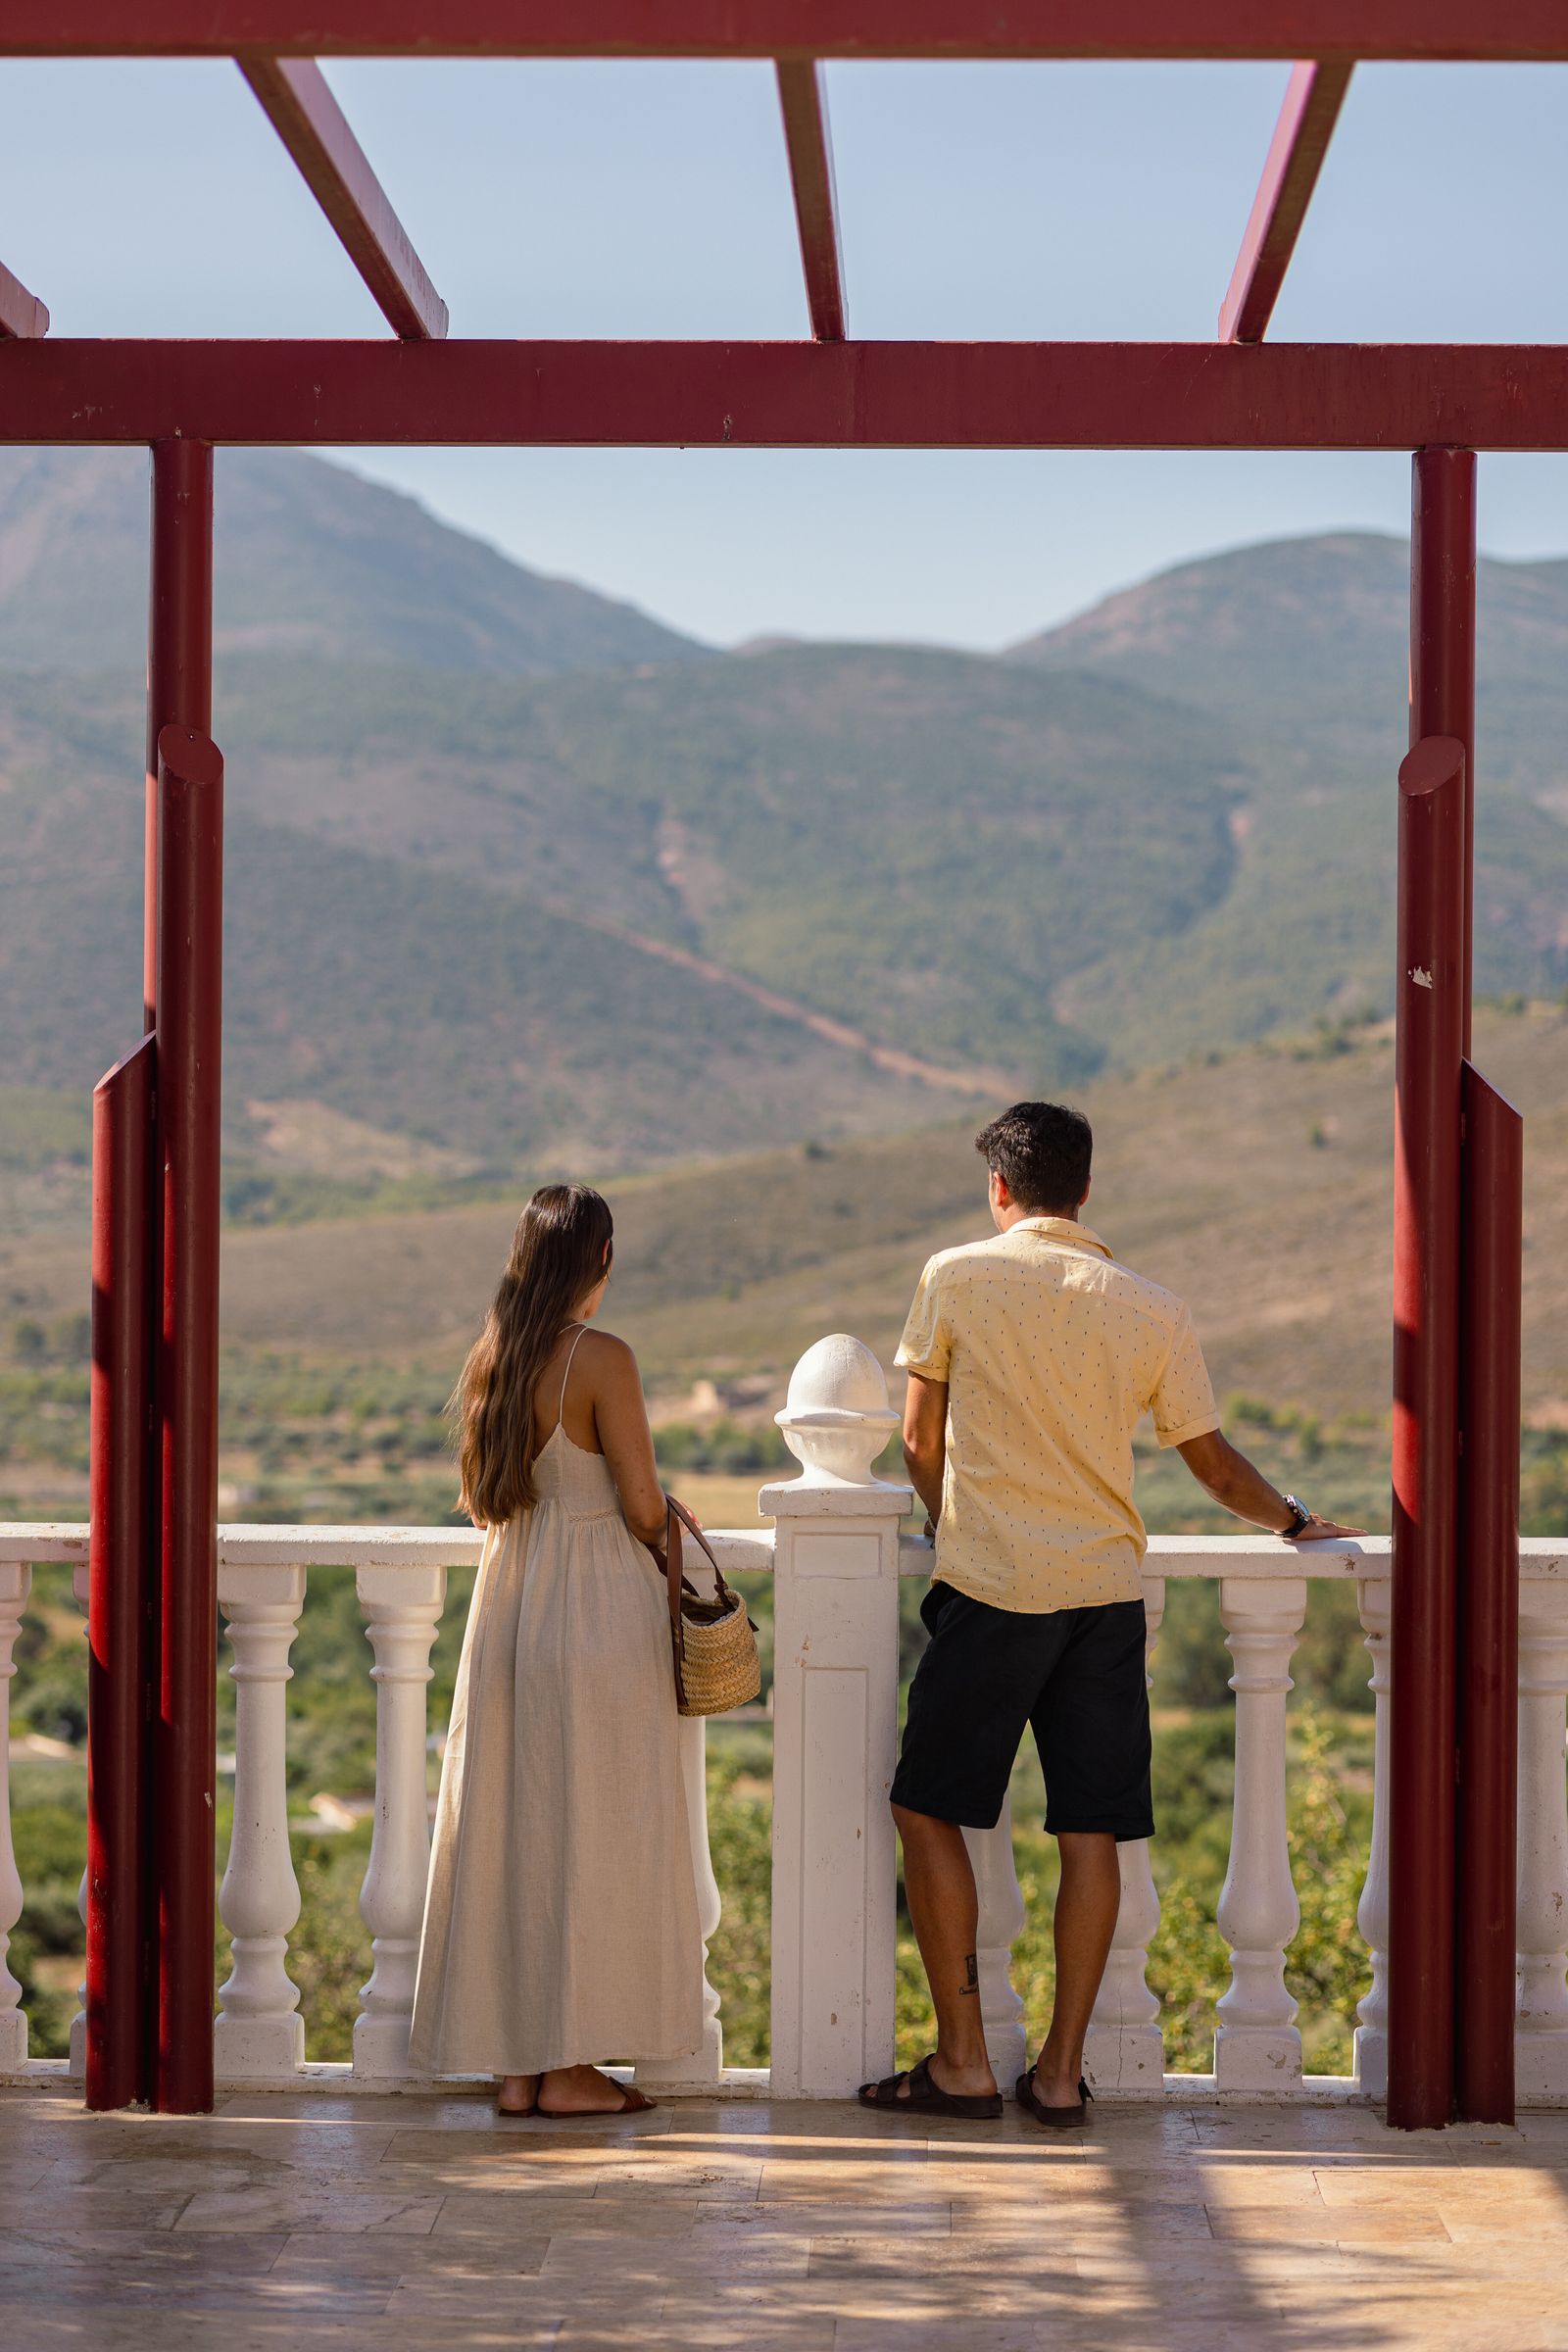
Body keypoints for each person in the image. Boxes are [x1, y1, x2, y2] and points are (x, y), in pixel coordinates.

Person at [860, 1102, 1362, 2130]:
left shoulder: (954, 1276)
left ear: (999, 1189)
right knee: (1090, 1833)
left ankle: (960, 2062)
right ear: (1084, 1191)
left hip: (993, 1586)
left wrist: (953, 1523)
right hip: (1101, 1601)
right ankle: (1056, 2075)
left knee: (927, 1809)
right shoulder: (1150, 1306)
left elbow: (918, 1441)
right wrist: (1295, 1518)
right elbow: (1213, 1467)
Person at [409, 1182, 702, 2117]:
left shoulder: (495, 1355)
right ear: (602, 1261)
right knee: (594, 1830)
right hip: (593, 1611)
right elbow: (643, 1507)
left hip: (512, 1604)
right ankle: (569, 2068)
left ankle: (518, 2066)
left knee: (515, 1828)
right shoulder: (601, 1358)